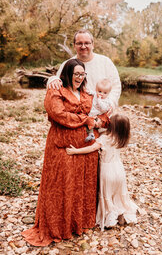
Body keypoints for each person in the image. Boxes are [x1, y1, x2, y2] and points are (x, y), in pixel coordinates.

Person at [22, 59, 109, 246]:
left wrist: (100, 122)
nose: (79, 78)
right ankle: (57, 226)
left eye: (82, 74)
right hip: (61, 146)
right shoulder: (56, 90)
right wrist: (85, 120)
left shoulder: (88, 94)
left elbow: (104, 112)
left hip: (86, 149)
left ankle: (77, 224)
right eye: (76, 74)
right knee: (61, 184)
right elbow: (58, 114)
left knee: (81, 185)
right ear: (68, 73)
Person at [66, 114, 139, 231]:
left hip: (107, 171)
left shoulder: (105, 139)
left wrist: (75, 151)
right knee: (118, 193)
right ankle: (122, 213)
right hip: (119, 171)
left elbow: (91, 148)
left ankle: (110, 217)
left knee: (107, 194)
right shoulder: (122, 139)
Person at [47, 29, 121, 111]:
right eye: (79, 43)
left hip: (102, 110)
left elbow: (116, 87)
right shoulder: (67, 64)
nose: (83, 46)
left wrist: (111, 104)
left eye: (87, 43)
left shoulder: (105, 62)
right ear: (74, 45)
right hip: (77, 114)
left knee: (121, 121)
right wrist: (53, 79)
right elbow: (57, 85)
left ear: (93, 45)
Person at [85, 78, 112, 142]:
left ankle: (92, 134)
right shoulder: (96, 94)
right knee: (88, 121)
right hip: (91, 113)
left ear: (108, 93)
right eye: (99, 91)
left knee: (92, 122)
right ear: (96, 90)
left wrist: (99, 100)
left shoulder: (107, 101)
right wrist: (88, 91)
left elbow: (104, 109)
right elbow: (92, 93)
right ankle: (91, 134)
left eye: (105, 93)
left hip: (98, 115)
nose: (101, 94)